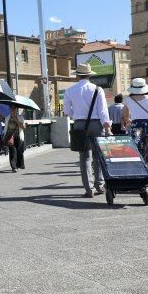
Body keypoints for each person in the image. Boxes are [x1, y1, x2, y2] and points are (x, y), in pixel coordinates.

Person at [63, 63, 112, 198]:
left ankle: (89, 189)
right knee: (98, 156)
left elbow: (66, 110)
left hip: (80, 125)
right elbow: (103, 111)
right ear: (90, 75)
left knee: (84, 158)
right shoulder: (97, 89)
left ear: (77, 76)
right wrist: (107, 127)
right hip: (96, 124)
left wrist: (77, 116)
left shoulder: (70, 90)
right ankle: (99, 185)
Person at [122, 78, 148, 155]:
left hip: (136, 126)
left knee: (137, 148)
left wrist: (128, 120)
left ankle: (141, 164)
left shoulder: (128, 99)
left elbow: (125, 114)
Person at [3, 107, 25, 172]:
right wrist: (4, 135)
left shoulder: (20, 117)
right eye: (11, 109)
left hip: (18, 136)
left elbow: (23, 127)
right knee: (12, 151)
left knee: (19, 151)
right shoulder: (7, 118)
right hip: (10, 137)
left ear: (16, 109)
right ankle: (13, 167)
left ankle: (19, 165)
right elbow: (6, 127)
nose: (12, 110)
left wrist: (16, 119)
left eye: (14, 109)